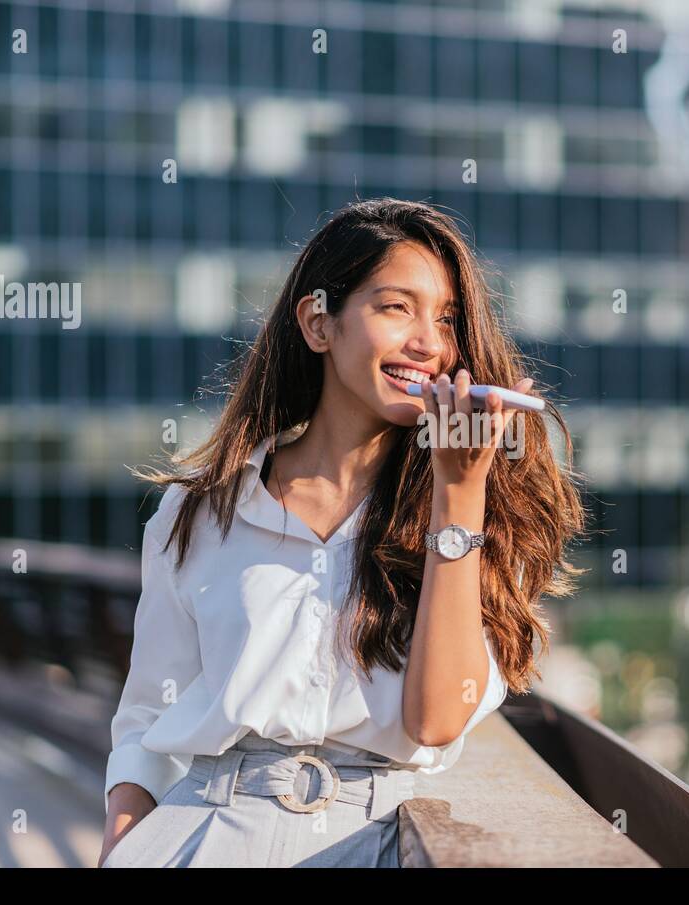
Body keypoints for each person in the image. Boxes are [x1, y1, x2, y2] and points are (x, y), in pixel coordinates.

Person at [98, 197, 586, 867]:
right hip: (203, 836)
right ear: (318, 322)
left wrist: (460, 491)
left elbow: (438, 718)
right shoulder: (199, 513)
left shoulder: (476, 516)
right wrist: (123, 847)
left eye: (446, 319)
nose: (429, 342)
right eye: (396, 308)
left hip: (376, 840)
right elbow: (149, 715)